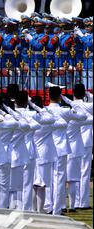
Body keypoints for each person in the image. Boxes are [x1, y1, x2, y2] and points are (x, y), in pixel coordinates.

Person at [46, 86, 87, 215]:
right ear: (60, 97)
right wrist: (73, 106)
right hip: (61, 148)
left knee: (49, 178)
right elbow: (83, 117)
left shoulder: (45, 110)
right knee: (59, 178)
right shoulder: (65, 111)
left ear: (48, 96)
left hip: (49, 148)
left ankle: (49, 206)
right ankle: (57, 209)